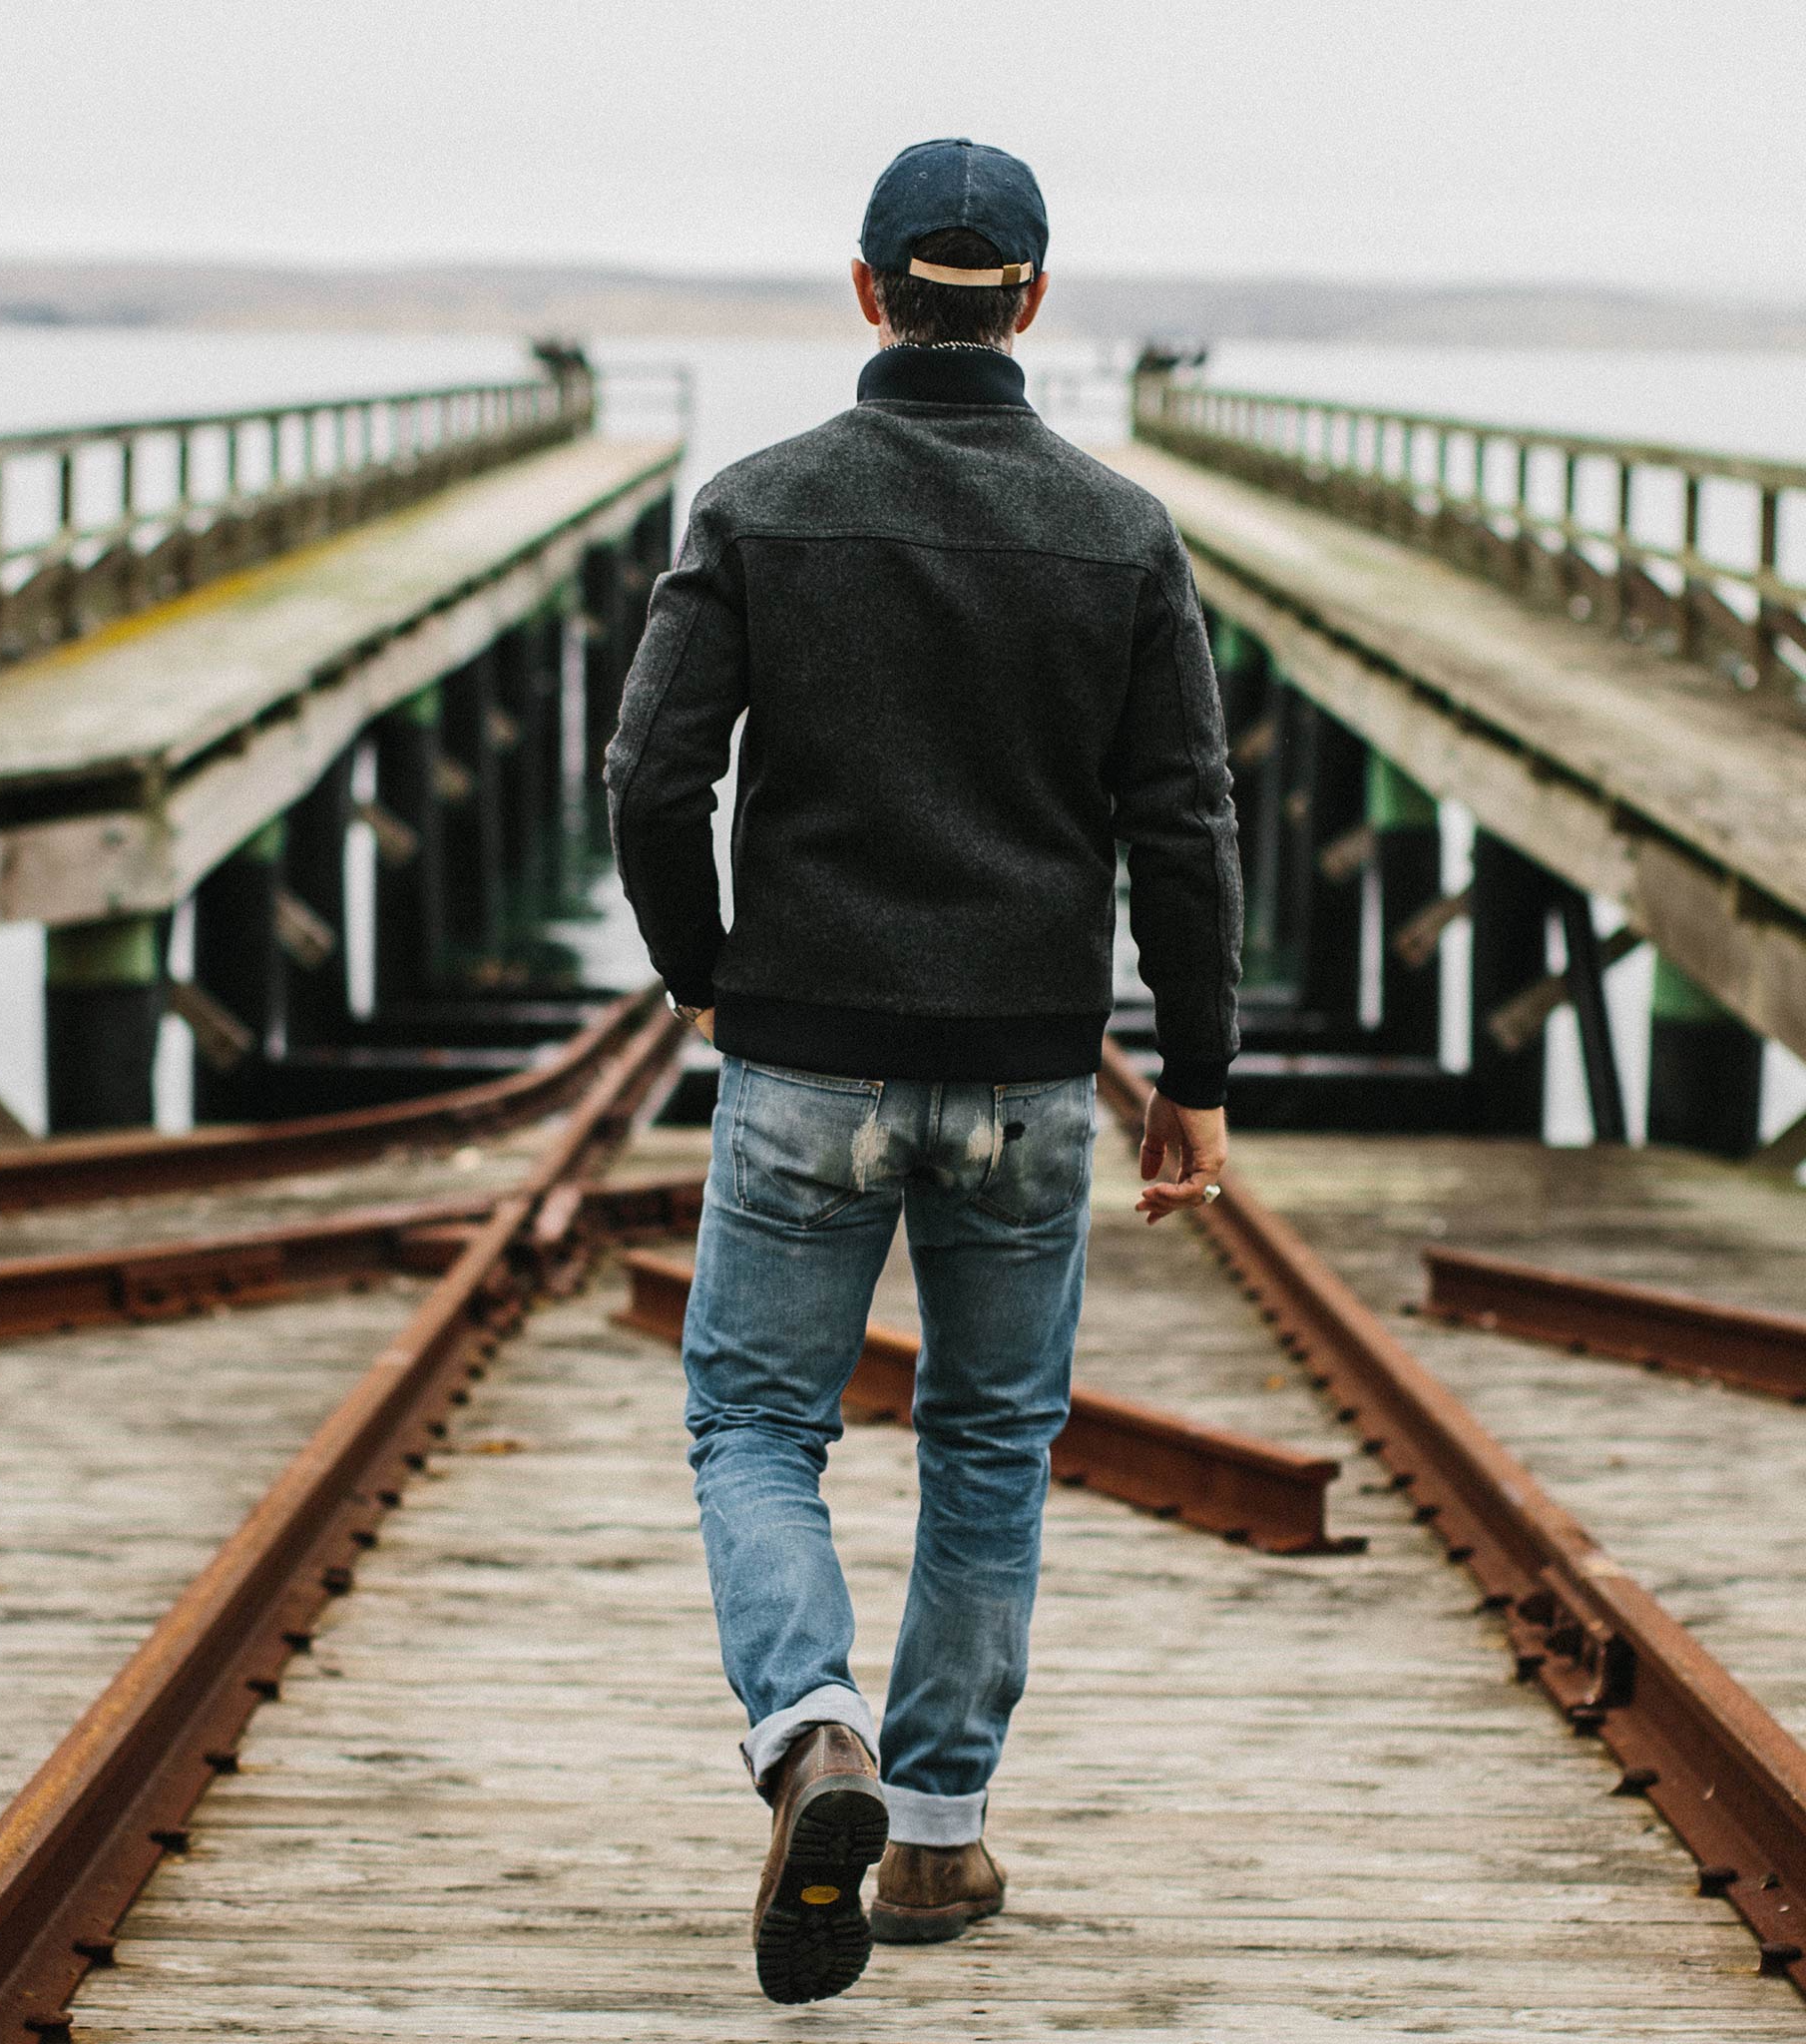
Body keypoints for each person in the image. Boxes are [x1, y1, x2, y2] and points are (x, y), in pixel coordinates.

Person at [604, 137, 1241, 2004]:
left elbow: (653, 779)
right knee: (988, 1441)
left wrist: (703, 980)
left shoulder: (759, 503)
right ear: (1030, 301)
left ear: (870, 291)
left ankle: (814, 1734)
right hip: (1035, 1073)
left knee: (754, 1426)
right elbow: (1186, 823)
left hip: (806, 1057)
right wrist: (1192, 1070)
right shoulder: (1122, 532)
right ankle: (941, 1837)